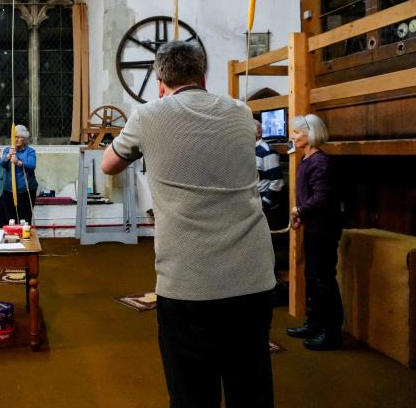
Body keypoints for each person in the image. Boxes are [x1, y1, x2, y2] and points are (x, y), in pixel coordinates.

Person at [101, 40, 275, 408]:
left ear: (160, 81)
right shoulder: (242, 113)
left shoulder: (148, 115)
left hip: (189, 282)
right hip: (252, 276)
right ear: (204, 77)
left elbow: (108, 164)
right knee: (252, 387)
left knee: (193, 393)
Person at [286, 114, 343, 351]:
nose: (293, 136)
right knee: (312, 278)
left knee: (324, 281)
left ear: (310, 134)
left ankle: (331, 333)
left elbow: (322, 199)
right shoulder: (306, 160)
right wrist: (301, 216)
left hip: (325, 231)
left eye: (297, 132)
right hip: (313, 228)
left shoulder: (320, 162)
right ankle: (314, 323)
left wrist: (300, 209)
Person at [0, 124, 37, 226]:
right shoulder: (8, 150)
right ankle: (13, 239)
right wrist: (8, 156)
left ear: (24, 139)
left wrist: (19, 162)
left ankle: (25, 239)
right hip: (9, 190)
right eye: (15, 137)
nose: (17, 139)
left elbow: (32, 165)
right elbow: (2, 163)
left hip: (26, 190)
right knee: (11, 218)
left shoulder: (30, 151)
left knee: (25, 218)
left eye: (20, 137)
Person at [255, 119, 285, 211]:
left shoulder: (267, 151)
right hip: (253, 200)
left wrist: (265, 202)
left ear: (259, 133)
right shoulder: (249, 149)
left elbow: (277, 182)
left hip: (264, 202)